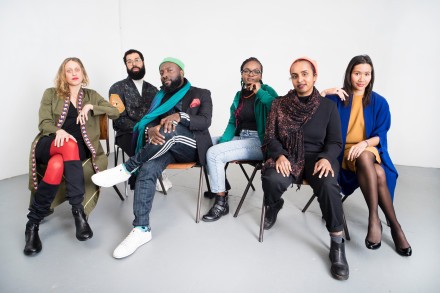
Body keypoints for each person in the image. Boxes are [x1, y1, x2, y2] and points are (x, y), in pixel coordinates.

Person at [92, 57, 213, 259]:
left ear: (181, 71)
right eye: (161, 72)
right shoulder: (160, 97)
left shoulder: (200, 93)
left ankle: (126, 168)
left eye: (169, 70)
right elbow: (150, 121)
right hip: (166, 146)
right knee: (147, 169)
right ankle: (141, 228)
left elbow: (205, 121)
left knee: (170, 132)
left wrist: (180, 117)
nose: (165, 74)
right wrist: (151, 130)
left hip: (191, 146)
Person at [261, 57, 349, 280]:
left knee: (329, 185)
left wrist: (328, 158)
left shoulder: (327, 107)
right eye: (294, 75)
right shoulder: (279, 105)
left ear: (314, 76)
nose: (300, 79)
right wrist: (279, 154)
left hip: (318, 157)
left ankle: (337, 244)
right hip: (288, 155)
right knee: (272, 179)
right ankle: (273, 204)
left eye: (305, 74)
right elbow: (270, 136)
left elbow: (336, 141)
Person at [25, 57, 120, 256]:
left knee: (57, 165)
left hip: (77, 150)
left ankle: (32, 223)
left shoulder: (92, 96)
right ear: (63, 75)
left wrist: (91, 107)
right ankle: (78, 212)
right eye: (69, 70)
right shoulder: (51, 93)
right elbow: (43, 123)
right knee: (67, 145)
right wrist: (58, 131)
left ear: (83, 73)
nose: (74, 73)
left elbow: (116, 112)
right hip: (50, 143)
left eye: (77, 69)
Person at [321, 55, 411, 256]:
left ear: (372, 76)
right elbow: (312, 110)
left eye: (367, 74)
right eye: (357, 73)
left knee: (364, 156)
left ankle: (374, 219)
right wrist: (325, 91)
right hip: (344, 153)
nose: (362, 78)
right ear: (349, 74)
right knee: (378, 173)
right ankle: (395, 227)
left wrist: (364, 143)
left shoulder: (379, 102)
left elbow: (380, 135)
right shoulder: (337, 98)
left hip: (368, 150)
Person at [202, 57, 278, 222]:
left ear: (261, 75)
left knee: (215, 154)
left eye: (255, 71)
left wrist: (260, 92)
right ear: (241, 74)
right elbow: (232, 122)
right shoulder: (239, 95)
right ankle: (220, 186)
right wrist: (223, 143)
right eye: (246, 71)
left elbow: (277, 108)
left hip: (260, 142)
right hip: (241, 137)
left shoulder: (267, 91)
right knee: (205, 145)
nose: (250, 74)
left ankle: (221, 203)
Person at [110, 49, 172, 192]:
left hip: (153, 131)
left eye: (137, 60)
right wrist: (144, 129)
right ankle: (149, 177)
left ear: (143, 62)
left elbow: (161, 116)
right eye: (129, 61)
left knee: (165, 138)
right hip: (128, 133)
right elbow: (119, 120)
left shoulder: (154, 90)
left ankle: (157, 171)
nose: (134, 64)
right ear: (126, 65)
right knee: (148, 142)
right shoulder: (116, 88)